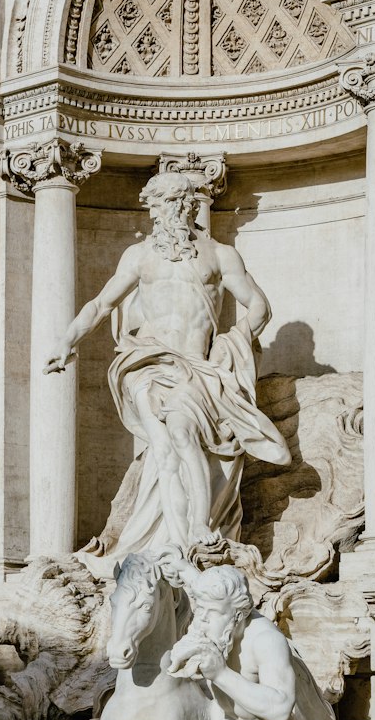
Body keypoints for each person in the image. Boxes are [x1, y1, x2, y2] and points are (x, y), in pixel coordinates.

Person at [46, 171, 290, 557]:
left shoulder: (221, 254)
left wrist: (234, 343)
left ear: (188, 205)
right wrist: (66, 341)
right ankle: (181, 536)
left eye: (171, 203)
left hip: (197, 367)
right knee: (166, 445)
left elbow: (259, 305)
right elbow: (101, 304)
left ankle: (194, 526)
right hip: (147, 363)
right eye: (159, 206)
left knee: (181, 435)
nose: (164, 213)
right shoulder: (139, 256)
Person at [166, 564, 349, 720]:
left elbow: (281, 708)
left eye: (213, 612)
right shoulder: (218, 630)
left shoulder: (266, 641)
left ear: (238, 616)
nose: (203, 620)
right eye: (200, 610)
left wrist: (221, 674)